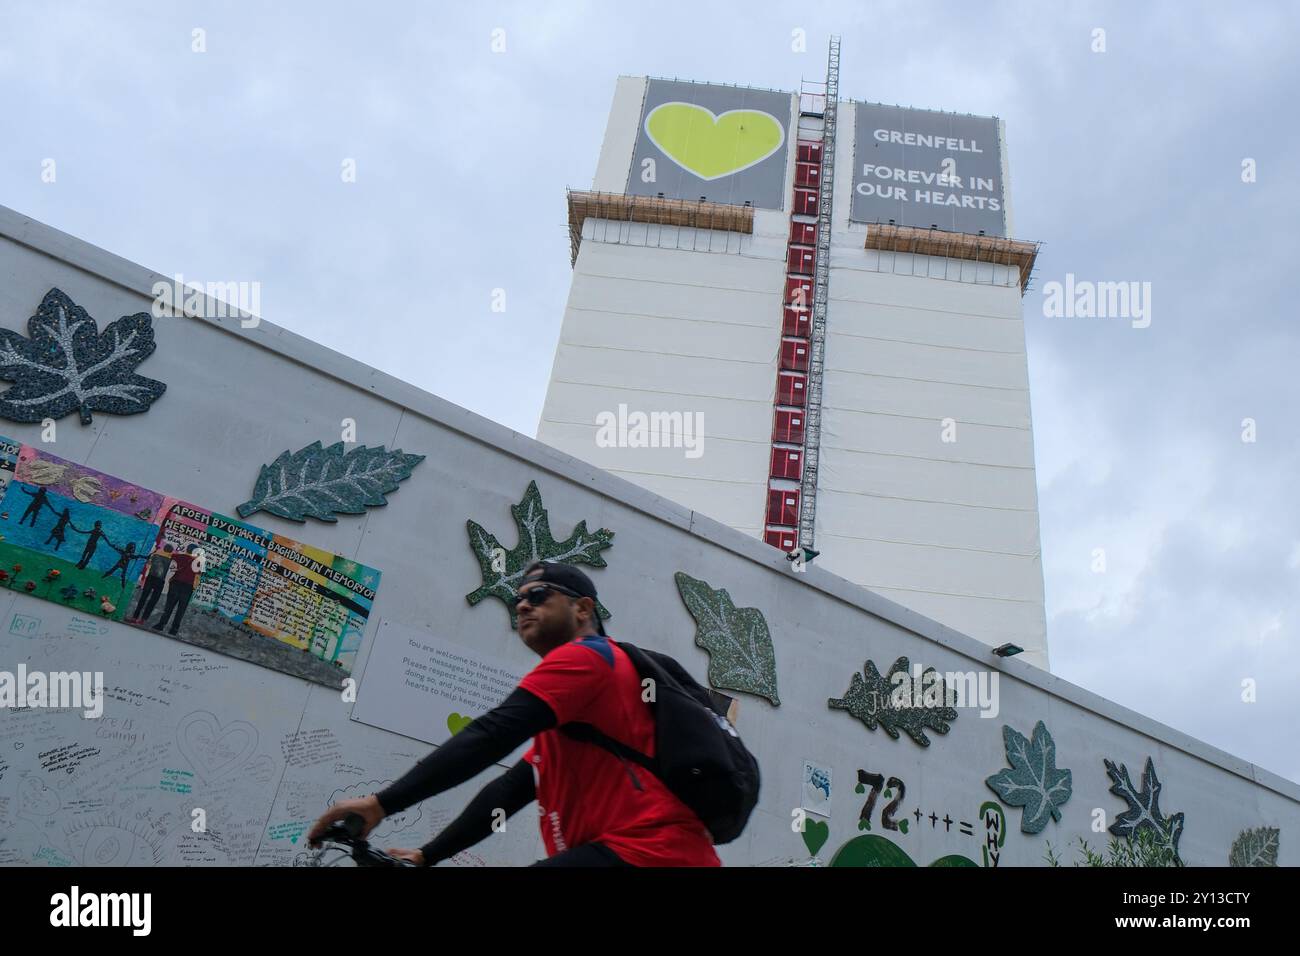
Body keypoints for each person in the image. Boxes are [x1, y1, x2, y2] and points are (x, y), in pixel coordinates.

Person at [307, 561, 720, 867]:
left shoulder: (587, 658)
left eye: (538, 595)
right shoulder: (573, 715)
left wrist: (381, 804)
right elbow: (509, 791)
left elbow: (491, 735)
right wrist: (426, 855)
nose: (522, 605)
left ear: (582, 609)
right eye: (517, 598)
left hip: (653, 854)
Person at [153, 543, 201, 635]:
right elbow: (198, 577)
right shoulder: (198, 562)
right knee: (181, 610)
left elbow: (167, 554)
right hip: (188, 587)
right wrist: (194, 588)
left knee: (169, 606)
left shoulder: (178, 556)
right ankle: (174, 629)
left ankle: (161, 625)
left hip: (176, 584)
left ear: (187, 549)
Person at [128, 543, 174, 623]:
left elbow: (148, 564)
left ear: (164, 549)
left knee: (143, 598)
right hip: (160, 580)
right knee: (153, 601)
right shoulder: (170, 559)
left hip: (151, 578)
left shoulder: (156, 555)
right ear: (170, 551)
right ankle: (143, 619)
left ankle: (134, 617)